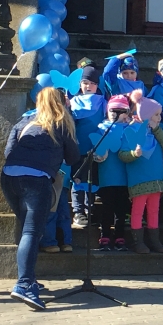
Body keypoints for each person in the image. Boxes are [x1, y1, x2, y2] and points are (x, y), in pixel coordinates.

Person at [1, 87, 80, 311]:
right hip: (37, 179)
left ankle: (29, 278)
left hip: (9, 177)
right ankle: (24, 285)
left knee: (27, 228)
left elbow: (8, 152)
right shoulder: (61, 122)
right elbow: (73, 157)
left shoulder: (23, 121)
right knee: (31, 232)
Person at [119, 91, 163, 254]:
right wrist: (134, 154)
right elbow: (122, 154)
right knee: (138, 210)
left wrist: (157, 130)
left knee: (154, 210)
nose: (159, 118)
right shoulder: (130, 131)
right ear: (146, 115)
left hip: (156, 179)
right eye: (156, 114)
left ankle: (155, 241)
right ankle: (138, 242)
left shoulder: (156, 131)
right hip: (139, 180)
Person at [91, 95, 133, 252]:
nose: (116, 114)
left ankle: (120, 236)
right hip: (107, 176)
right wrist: (99, 155)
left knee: (121, 210)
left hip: (124, 176)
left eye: (121, 111)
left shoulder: (130, 128)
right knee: (107, 208)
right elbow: (96, 150)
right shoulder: (102, 128)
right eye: (113, 110)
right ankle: (105, 236)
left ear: (127, 113)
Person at [70, 66, 106, 228]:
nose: (88, 86)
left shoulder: (103, 102)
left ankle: (89, 209)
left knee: (91, 180)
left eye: (92, 83)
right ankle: (78, 212)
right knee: (77, 179)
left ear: (97, 85)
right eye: (85, 82)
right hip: (78, 147)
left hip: (96, 147)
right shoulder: (73, 102)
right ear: (80, 84)